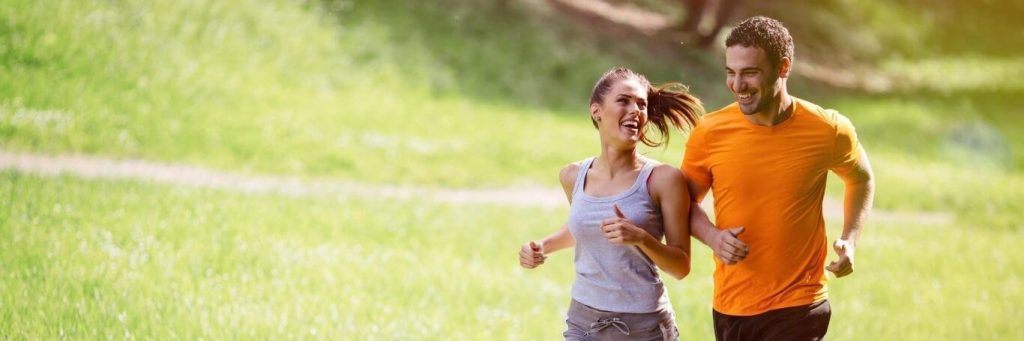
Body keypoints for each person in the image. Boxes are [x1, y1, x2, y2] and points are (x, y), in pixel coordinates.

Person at [682, 16, 876, 340]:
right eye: (731, 72)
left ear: (783, 67)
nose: (737, 85)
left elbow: (861, 179)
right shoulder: (710, 133)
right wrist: (713, 237)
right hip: (733, 306)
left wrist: (850, 239)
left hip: (801, 303)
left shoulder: (827, 130)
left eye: (750, 73)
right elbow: (682, 202)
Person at [519, 67, 704, 340]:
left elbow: (681, 267)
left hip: (644, 327)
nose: (636, 110)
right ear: (597, 111)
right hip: (584, 320)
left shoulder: (663, 179)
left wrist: (641, 238)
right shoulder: (572, 176)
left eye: (642, 104)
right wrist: (543, 246)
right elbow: (587, 228)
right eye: (624, 100)